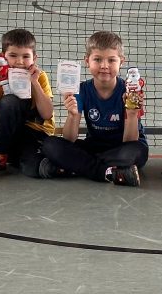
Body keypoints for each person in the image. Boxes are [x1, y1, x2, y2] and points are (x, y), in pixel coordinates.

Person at [39, 31, 147, 186]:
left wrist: (131, 115)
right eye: (97, 59)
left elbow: (130, 142)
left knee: (135, 152)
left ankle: (78, 167)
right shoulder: (80, 90)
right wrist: (72, 115)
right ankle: (107, 172)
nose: (104, 66)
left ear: (121, 62)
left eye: (111, 60)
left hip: (123, 147)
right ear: (87, 61)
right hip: (94, 146)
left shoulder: (130, 91)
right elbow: (70, 139)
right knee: (49, 145)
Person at [0, 29, 55, 178]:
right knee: (9, 102)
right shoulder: (1, 79)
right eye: (13, 55)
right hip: (9, 136)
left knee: (32, 169)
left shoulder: (40, 77)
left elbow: (47, 114)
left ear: (34, 58)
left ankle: (48, 162)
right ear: (3, 56)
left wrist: (34, 83)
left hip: (36, 136)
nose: (19, 62)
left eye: (26, 56)